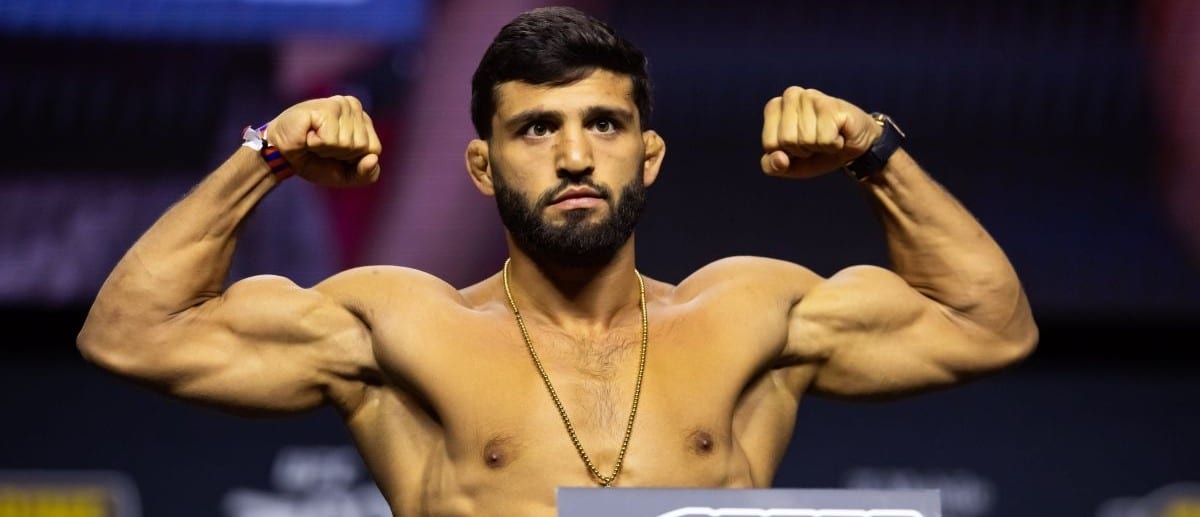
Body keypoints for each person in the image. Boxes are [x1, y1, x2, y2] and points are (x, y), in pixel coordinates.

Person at [77, 5, 1038, 517]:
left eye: (604, 125)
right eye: (537, 128)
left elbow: (987, 324)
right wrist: (269, 154)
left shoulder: (748, 314)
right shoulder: (402, 327)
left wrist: (875, 153)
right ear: (482, 165)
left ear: (647, 154)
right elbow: (133, 334)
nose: (575, 157)